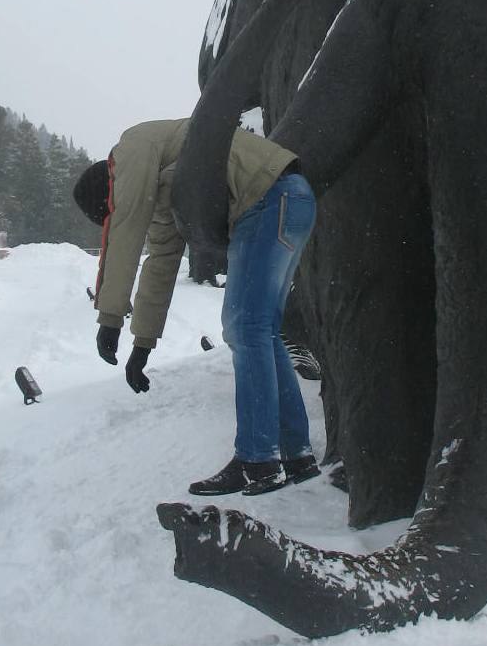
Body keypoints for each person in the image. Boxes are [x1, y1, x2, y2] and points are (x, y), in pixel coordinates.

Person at [73, 118, 320, 496]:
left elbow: (125, 229)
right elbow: (161, 259)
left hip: (268, 199)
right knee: (261, 332)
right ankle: (296, 454)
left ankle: (258, 461)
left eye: (110, 210)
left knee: (245, 329)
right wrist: (142, 344)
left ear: (110, 188)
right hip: (292, 198)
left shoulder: (130, 149)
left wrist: (109, 318)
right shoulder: (163, 182)